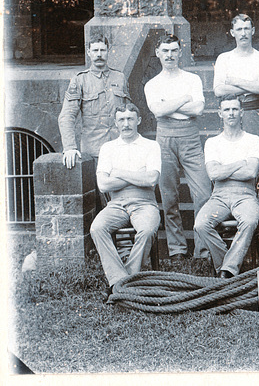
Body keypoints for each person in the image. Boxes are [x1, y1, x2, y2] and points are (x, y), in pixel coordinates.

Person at [144, 34, 212, 260]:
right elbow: (158, 112)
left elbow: (197, 110)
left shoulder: (192, 79)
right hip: (164, 137)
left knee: (203, 192)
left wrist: (169, 104)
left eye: (174, 50)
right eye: (165, 51)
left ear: (180, 52)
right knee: (169, 196)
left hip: (190, 137)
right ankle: (177, 250)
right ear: (158, 53)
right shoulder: (153, 84)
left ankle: (202, 250)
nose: (170, 55)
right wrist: (184, 99)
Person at [89, 103, 161, 299]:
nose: (126, 124)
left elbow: (151, 179)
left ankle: (128, 278)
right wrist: (136, 176)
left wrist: (119, 174)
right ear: (115, 123)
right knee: (97, 228)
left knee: (146, 230)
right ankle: (117, 280)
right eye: (121, 120)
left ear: (138, 120)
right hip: (116, 204)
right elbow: (103, 184)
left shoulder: (151, 146)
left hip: (145, 203)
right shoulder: (108, 148)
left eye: (130, 119)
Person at [193, 95, 259, 278]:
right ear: (220, 113)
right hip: (219, 194)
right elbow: (213, 174)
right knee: (201, 224)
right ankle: (229, 265)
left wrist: (224, 168)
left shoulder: (253, 140)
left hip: (245, 193)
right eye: (226, 110)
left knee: (249, 221)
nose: (231, 113)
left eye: (234, 109)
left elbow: (251, 173)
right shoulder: (213, 142)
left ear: (242, 112)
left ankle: (226, 271)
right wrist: (240, 162)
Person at [214, 14, 259, 210]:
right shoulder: (224, 59)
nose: (243, 33)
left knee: (257, 163)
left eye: (247, 28)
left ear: (253, 31)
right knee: (231, 158)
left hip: (253, 111)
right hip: (230, 111)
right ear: (232, 33)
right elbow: (219, 90)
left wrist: (235, 82)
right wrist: (250, 85)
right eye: (239, 29)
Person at [58, 34, 131, 169]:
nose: (99, 54)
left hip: (120, 147)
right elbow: (66, 116)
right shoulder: (80, 80)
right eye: (95, 50)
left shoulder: (120, 78)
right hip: (93, 151)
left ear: (109, 51)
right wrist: (69, 147)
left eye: (102, 50)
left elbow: (129, 113)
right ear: (88, 52)